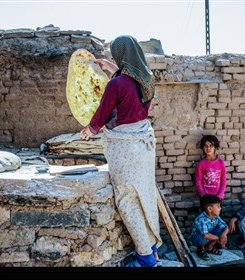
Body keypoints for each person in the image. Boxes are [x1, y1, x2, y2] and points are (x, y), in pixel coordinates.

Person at [80, 35, 162, 267]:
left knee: (127, 200)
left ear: (120, 54)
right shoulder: (147, 78)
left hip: (125, 147)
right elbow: (131, 82)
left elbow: (104, 111)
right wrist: (111, 67)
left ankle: (145, 257)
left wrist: (90, 129)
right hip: (145, 144)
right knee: (144, 195)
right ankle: (154, 248)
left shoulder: (115, 85)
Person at [189, 194, 229, 261]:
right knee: (203, 237)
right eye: (218, 206)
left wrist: (224, 234)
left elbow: (226, 227)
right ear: (210, 209)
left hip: (208, 235)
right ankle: (201, 249)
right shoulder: (201, 220)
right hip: (196, 238)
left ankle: (209, 247)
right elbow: (205, 235)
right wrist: (219, 239)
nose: (220, 208)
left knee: (221, 229)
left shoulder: (216, 217)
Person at [195, 135, 226, 200]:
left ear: (215, 147)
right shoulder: (201, 164)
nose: (208, 148)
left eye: (211, 145)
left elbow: (223, 181)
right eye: (206, 146)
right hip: (205, 198)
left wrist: (220, 195)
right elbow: (198, 182)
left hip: (218, 197)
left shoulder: (221, 163)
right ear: (203, 148)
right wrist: (203, 195)